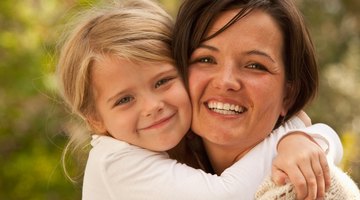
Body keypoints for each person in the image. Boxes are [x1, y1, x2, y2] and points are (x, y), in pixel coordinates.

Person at [56, 0, 343, 199]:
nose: (153, 105)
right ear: (93, 118)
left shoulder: (183, 146)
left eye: (163, 81)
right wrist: (297, 133)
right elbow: (227, 195)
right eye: (206, 59)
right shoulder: (114, 162)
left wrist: (307, 137)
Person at [171, 0, 358, 199]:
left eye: (255, 66)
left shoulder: (303, 189)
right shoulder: (155, 166)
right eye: (206, 59)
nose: (226, 81)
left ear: (288, 95)